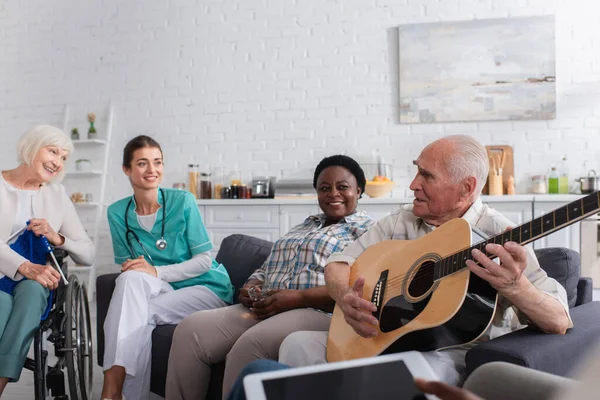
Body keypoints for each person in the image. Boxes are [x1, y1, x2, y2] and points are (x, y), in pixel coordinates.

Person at [278, 134, 572, 386]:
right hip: (380, 337)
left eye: (427, 176)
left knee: (411, 376)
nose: (413, 185)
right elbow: (338, 263)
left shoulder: (501, 236)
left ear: (466, 188)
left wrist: (516, 286)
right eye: (417, 171)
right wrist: (344, 297)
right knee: (296, 345)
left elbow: (559, 321)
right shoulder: (400, 221)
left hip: (448, 352)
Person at [165, 155, 377, 400]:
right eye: (324, 188)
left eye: (342, 187)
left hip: (317, 311)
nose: (333, 194)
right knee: (190, 329)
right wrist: (252, 284)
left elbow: (360, 287)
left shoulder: (368, 231)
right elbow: (267, 267)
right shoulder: (303, 226)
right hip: (265, 306)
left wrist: (298, 298)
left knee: (250, 345)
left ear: (359, 190)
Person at [100, 135, 234, 400]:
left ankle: (113, 389)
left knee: (138, 314)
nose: (152, 170)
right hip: (165, 287)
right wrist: (138, 269)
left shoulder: (182, 201)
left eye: (157, 162)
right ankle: (115, 390)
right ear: (126, 169)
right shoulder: (117, 212)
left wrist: (156, 271)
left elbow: (204, 261)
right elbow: (128, 264)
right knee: (127, 281)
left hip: (205, 286)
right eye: (142, 163)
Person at [0, 125, 95, 396]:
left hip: (38, 279)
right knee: (2, 305)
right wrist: (23, 266)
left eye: (64, 157)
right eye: (52, 151)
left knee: (32, 291)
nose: (58, 162)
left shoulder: (56, 194)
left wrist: (57, 237)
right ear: (31, 146)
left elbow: (87, 253)